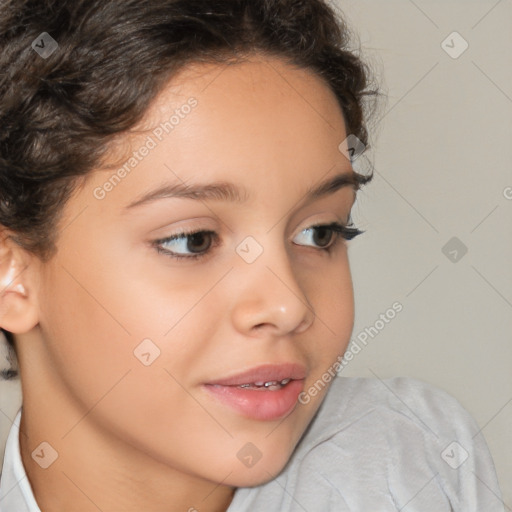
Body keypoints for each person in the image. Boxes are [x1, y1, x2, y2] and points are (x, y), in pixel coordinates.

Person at [0, 0, 504, 510]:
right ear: (11, 271)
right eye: (193, 240)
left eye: (320, 232)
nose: (288, 307)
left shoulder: (413, 457)